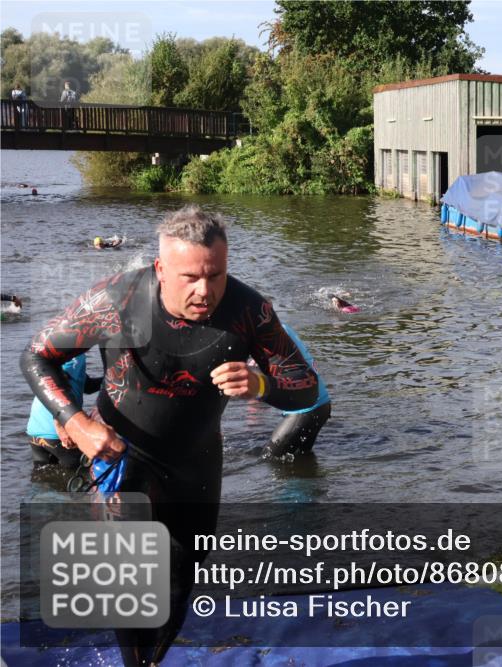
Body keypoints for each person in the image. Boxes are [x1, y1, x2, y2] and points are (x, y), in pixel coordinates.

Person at [21, 204, 318, 666]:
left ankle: (152, 660)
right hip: (122, 456)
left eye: (215, 275)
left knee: (180, 579)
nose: (205, 291)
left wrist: (260, 384)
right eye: (189, 278)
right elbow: (38, 355)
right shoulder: (120, 299)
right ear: (161, 269)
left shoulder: (248, 311)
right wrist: (76, 423)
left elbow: (308, 389)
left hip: (195, 462)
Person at [264, 323, 331, 458]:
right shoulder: (280, 327)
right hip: (319, 405)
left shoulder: (267, 332)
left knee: (271, 459)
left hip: (306, 411)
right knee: (301, 459)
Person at [26, 355, 101, 468]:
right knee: (85, 473)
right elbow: (57, 384)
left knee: (42, 479)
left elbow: (88, 386)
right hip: (56, 431)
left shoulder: (64, 352)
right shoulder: (75, 355)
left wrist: (114, 380)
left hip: (35, 430)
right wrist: (60, 425)